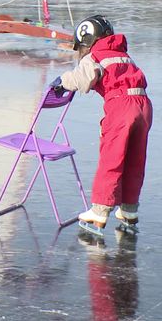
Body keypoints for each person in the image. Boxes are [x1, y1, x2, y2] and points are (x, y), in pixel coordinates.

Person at [51, 15, 152, 233]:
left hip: (120, 107)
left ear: (87, 41)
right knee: (135, 160)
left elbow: (82, 78)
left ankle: (100, 210)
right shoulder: (123, 55)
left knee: (112, 158)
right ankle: (129, 209)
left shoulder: (95, 56)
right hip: (144, 105)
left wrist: (61, 82)